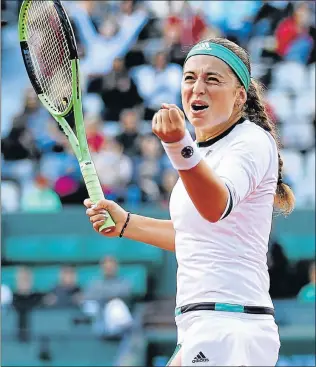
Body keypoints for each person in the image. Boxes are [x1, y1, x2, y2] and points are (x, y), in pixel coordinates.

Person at [84, 37, 295, 366]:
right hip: (205, 326)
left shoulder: (252, 140)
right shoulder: (201, 156)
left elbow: (215, 207)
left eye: (212, 79)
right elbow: (194, 237)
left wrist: (178, 145)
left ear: (240, 96)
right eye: (189, 77)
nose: (198, 87)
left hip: (230, 326)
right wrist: (126, 223)